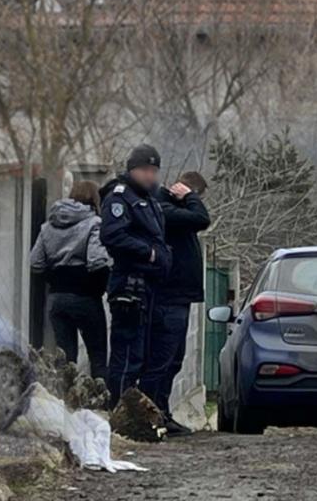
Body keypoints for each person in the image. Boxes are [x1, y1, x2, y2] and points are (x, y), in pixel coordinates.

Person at [99, 144, 173, 408]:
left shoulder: (150, 200)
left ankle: (133, 414)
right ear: (132, 170)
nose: (150, 175)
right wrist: (149, 254)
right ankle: (118, 414)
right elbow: (112, 235)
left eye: (153, 170)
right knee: (127, 356)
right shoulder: (120, 198)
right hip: (130, 286)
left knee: (143, 356)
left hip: (150, 288)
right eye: (144, 170)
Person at [145, 171, 212, 436]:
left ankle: (161, 412)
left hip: (178, 298)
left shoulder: (171, 210)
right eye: (196, 195)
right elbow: (202, 219)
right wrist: (191, 197)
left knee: (173, 360)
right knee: (162, 359)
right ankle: (151, 414)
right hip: (167, 298)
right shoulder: (164, 209)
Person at [29, 180, 112, 380]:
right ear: (94, 198)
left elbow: (35, 263)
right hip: (86, 298)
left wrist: (55, 274)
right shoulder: (94, 223)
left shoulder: (47, 226)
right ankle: (100, 407)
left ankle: (64, 405)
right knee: (98, 357)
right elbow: (97, 261)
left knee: (65, 360)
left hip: (56, 299)